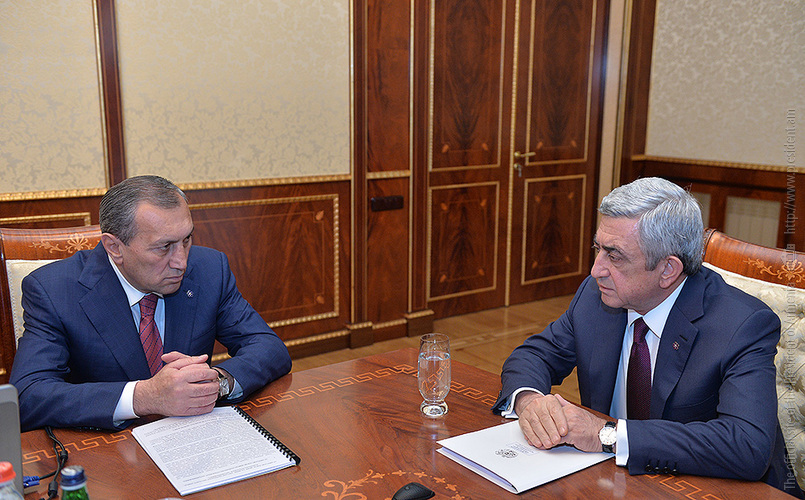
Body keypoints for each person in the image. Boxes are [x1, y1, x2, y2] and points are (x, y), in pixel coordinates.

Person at [493, 177, 801, 496]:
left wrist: (605, 435)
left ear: (668, 270)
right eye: (598, 249)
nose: (596, 270)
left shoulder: (742, 325)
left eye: (614, 256)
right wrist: (530, 402)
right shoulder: (596, 297)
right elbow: (535, 355)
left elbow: (747, 446)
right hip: (613, 482)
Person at [10, 175, 292, 431]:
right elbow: (27, 396)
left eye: (186, 240)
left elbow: (269, 347)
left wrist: (217, 382)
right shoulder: (54, 291)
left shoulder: (209, 269)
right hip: (108, 449)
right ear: (114, 248)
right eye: (164, 247)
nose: (181, 262)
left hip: (193, 437)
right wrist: (144, 397)